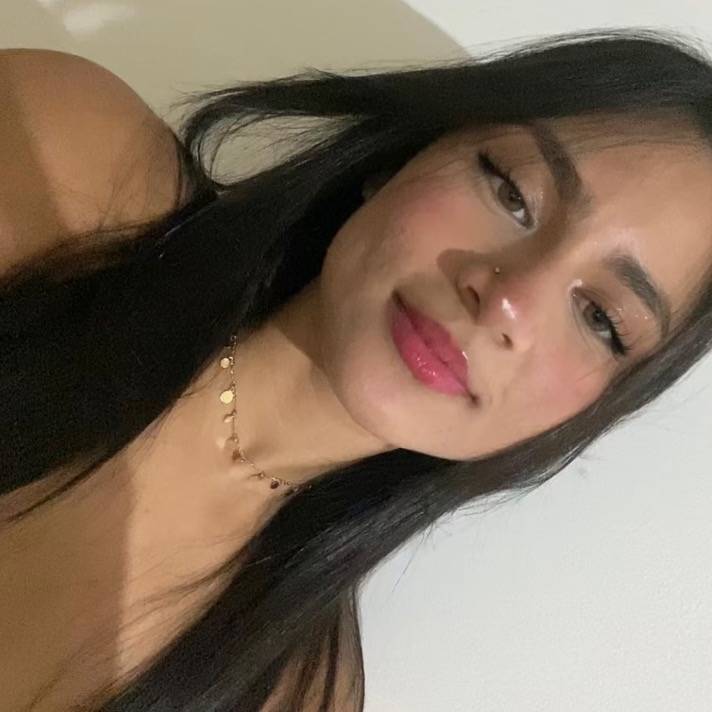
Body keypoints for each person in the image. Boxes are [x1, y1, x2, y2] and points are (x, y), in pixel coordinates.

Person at [1, 27, 712, 712]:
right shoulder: (65, 161)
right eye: (512, 192)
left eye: (601, 318)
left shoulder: (283, 694)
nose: (509, 301)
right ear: (401, 163)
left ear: (589, 411)